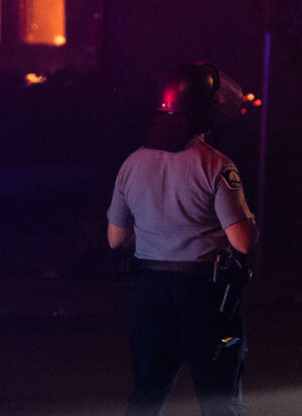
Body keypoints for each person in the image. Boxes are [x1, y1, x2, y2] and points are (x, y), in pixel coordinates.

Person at [107, 62, 258, 416]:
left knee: (147, 389)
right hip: (206, 297)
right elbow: (243, 242)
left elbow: (116, 238)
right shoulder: (216, 165)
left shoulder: (132, 163)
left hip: (150, 293)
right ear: (205, 111)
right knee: (220, 386)